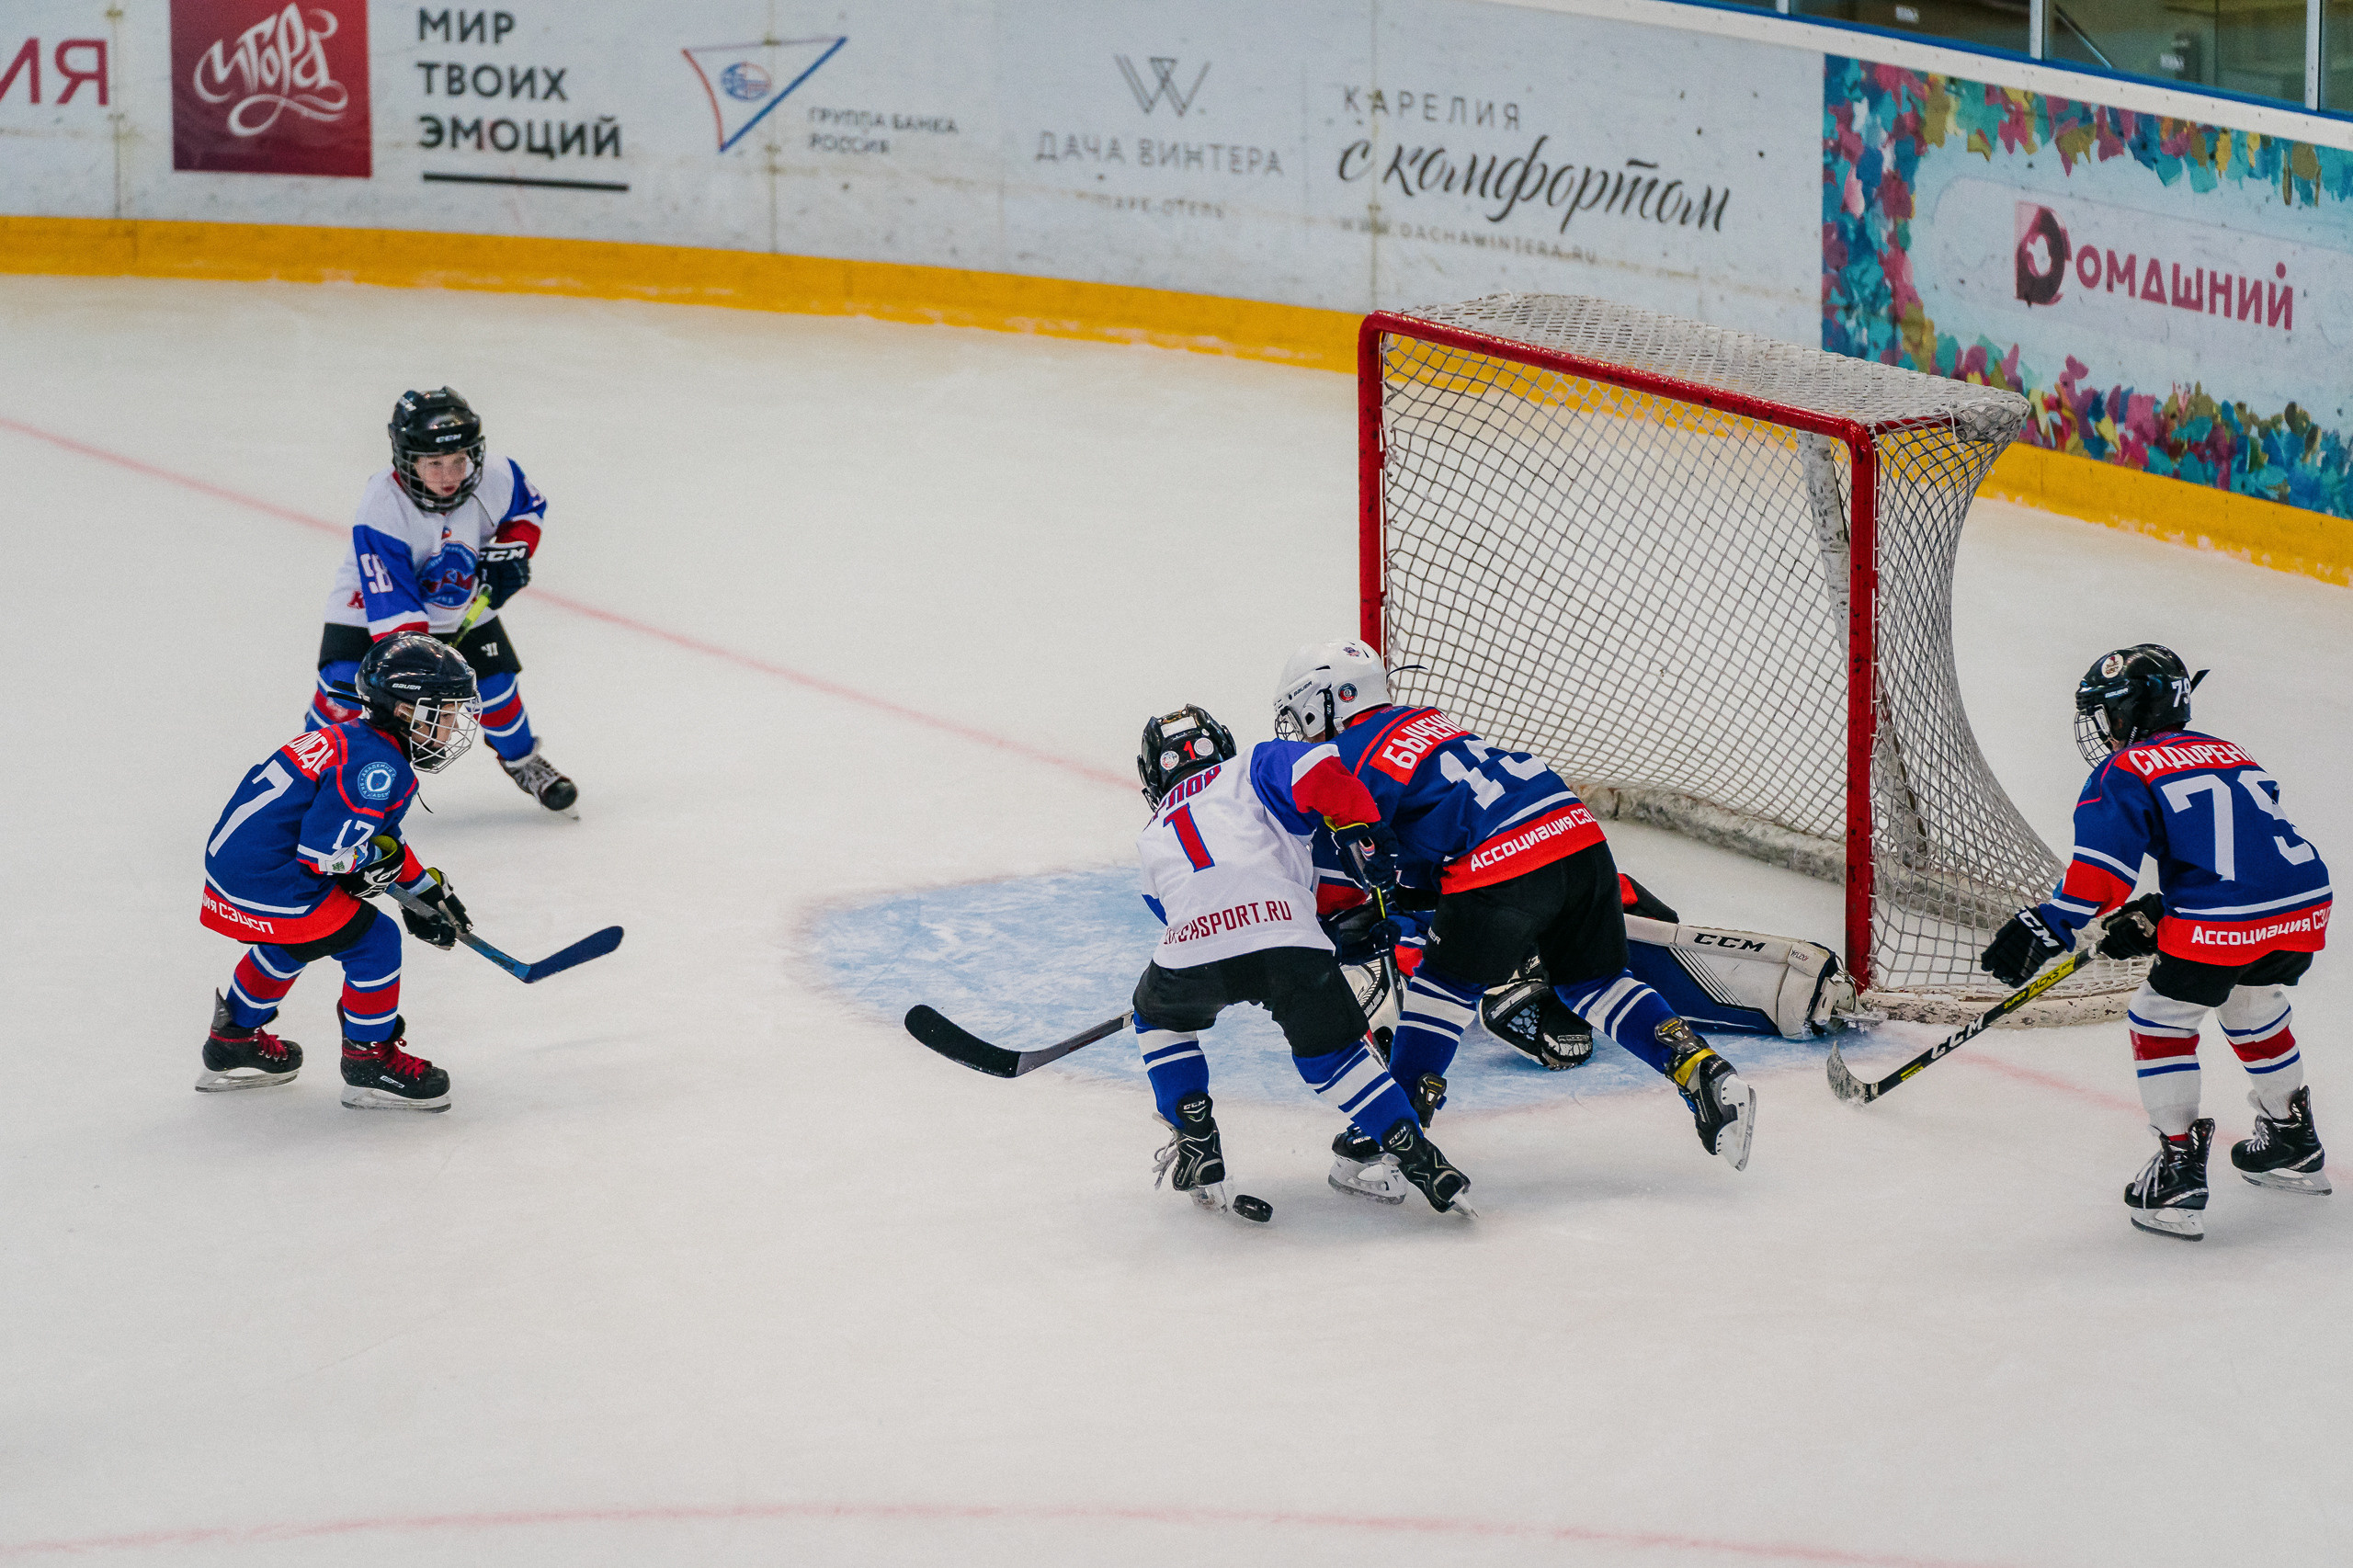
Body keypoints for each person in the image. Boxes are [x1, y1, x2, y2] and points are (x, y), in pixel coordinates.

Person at [1272, 638, 1757, 1192]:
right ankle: (1701, 1070)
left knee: (1442, 986)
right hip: (1577, 834)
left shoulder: (1341, 759)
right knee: (1593, 981)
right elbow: (1433, 830)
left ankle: (1398, 1134)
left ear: (1326, 701)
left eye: (1300, 713)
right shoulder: (1429, 721)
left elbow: (1352, 857)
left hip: (1501, 859)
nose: (1300, 730)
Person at [1981, 644, 2330, 1240]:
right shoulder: (2225, 749)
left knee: (2159, 1016)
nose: (2104, 728)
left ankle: (2177, 1172)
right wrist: (2165, 911)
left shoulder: (2123, 770)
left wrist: (2052, 923)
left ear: (2132, 712)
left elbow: (2103, 875)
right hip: (2303, 902)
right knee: (2252, 1000)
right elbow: (2244, 845)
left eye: (2110, 713)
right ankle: (2292, 1137)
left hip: (2229, 916)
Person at [1131, 705, 1472, 1215]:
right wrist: (1359, 827)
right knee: (1333, 1058)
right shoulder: (1253, 763)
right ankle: (1417, 1153)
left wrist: (1236, 973)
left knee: (1156, 1019)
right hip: (1289, 936)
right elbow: (1320, 771)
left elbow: (1182, 913)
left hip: (1194, 947)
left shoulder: (1152, 833)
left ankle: (1197, 1141)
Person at [199, 634, 480, 1112]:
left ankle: (233, 1041)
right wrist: (383, 876)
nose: (454, 725)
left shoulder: (358, 739)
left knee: (302, 936)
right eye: (445, 712)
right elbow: (324, 856)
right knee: (375, 940)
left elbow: (374, 836)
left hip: (238, 871)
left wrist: (423, 891)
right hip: (273, 879)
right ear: (407, 710)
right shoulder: (378, 766)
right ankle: (369, 1061)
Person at [306, 387, 577, 813]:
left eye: (459, 459)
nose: (450, 474)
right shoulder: (382, 505)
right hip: (369, 610)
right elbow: (393, 608)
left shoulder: (496, 475)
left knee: (497, 688)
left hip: (456, 601)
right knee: (340, 693)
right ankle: (310, 777)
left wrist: (510, 552)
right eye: (434, 463)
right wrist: (427, 676)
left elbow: (528, 510)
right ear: (407, 460)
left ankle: (523, 762)